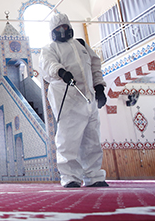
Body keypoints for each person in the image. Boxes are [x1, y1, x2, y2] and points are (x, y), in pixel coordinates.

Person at [39, 13, 109, 188]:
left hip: (88, 100)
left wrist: (99, 87)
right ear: (52, 32)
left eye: (65, 28)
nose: (62, 31)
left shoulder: (81, 45)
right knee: (68, 140)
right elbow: (48, 65)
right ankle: (70, 177)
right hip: (67, 100)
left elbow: (94, 65)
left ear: (69, 28)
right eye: (58, 29)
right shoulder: (50, 48)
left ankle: (94, 177)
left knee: (92, 140)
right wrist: (61, 72)